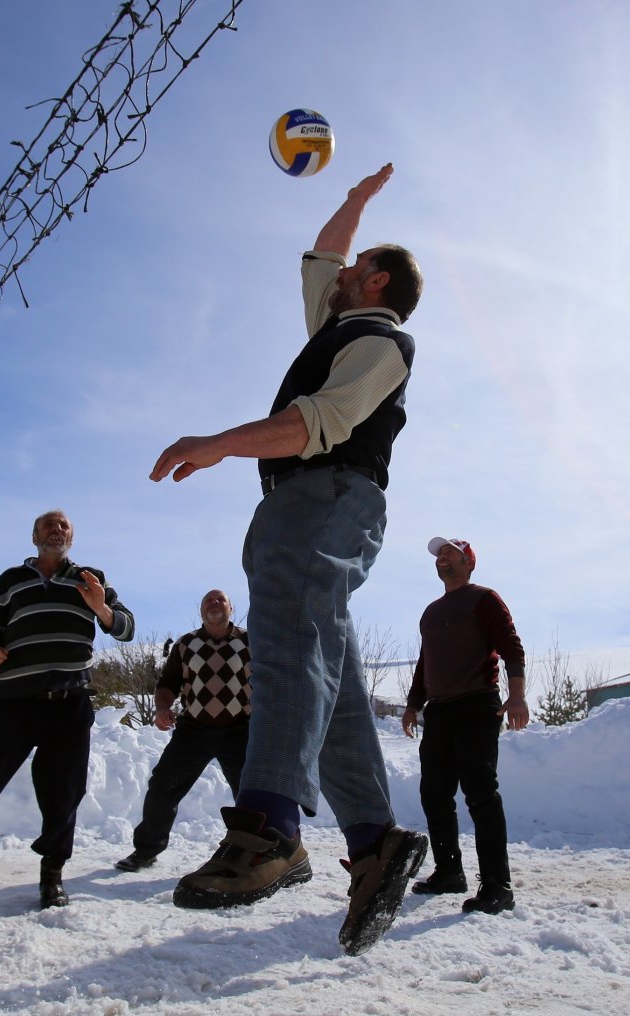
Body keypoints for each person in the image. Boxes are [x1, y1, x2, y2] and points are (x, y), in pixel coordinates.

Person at [149, 164, 428, 956]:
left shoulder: (381, 342)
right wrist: (353, 202)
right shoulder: (335, 330)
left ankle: (269, 824)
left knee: (286, 630)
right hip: (302, 499)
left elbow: (317, 422)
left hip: (327, 490)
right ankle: (375, 840)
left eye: (352, 270)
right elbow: (320, 261)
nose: (333, 278)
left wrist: (220, 443)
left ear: (372, 280)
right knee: (326, 670)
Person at [0, 510, 135, 917]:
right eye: (48, 525)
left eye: (64, 526)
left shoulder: (91, 578)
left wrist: (100, 607)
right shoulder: (10, 580)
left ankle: (52, 876)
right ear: (34, 535)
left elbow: (126, 627)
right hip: (11, 700)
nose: (57, 530)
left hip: (69, 701)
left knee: (64, 793)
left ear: (72, 536)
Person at [402, 536, 528, 915]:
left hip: (477, 705)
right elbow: (426, 664)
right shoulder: (430, 612)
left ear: (469, 562)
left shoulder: (484, 598)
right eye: (438, 555)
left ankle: (497, 886)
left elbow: (511, 646)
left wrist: (517, 695)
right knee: (434, 794)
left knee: (480, 793)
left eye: (450, 553)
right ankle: (449, 870)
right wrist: (412, 705)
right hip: (439, 712)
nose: (442, 558)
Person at [116, 589, 251, 872]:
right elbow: (167, 684)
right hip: (194, 730)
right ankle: (146, 850)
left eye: (220, 600)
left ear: (231, 608)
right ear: (201, 610)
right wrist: (162, 709)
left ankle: (254, 856)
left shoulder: (250, 641)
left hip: (241, 729)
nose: (214, 603)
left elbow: (271, 679)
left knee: (252, 795)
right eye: (208, 600)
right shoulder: (186, 644)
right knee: (163, 785)